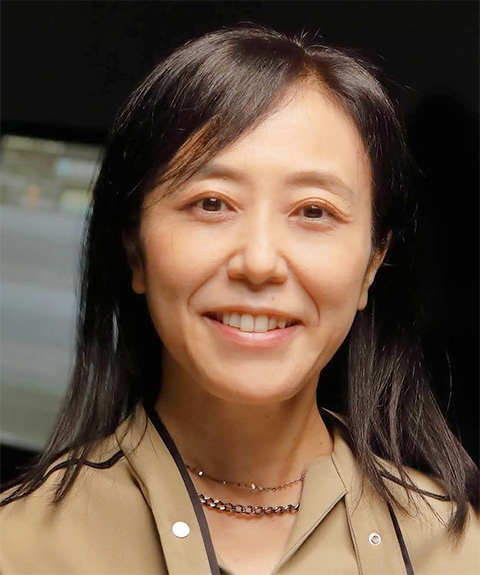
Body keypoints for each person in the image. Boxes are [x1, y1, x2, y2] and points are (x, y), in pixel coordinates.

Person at [1, 24, 478, 575]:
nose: (259, 261)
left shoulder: (454, 549)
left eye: (314, 211)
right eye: (211, 203)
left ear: (373, 262)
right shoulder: (21, 547)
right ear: (135, 250)